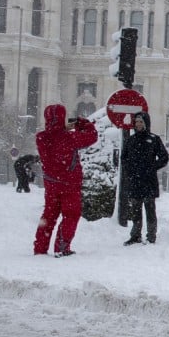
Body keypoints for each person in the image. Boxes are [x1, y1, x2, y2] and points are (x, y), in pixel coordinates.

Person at [33, 105, 98, 257]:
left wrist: (61, 129)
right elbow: (92, 136)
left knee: (48, 216)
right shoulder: (69, 138)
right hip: (70, 184)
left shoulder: (41, 138)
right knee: (71, 215)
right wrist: (81, 123)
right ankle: (62, 246)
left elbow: (54, 137)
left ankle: (40, 248)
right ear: (62, 118)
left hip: (51, 184)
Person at [121, 112, 169, 245]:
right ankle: (135, 235)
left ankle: (151, 236)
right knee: (135, 211)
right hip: (135, 181)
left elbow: (164, 157)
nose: (138, 124)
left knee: (150, 210)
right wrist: (129, 170)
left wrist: (152, 167)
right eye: (136, 122)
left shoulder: (154, 139)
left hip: (149, 181)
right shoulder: (130, 140)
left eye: (141, 122)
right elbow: (123, 158)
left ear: (146, 123)